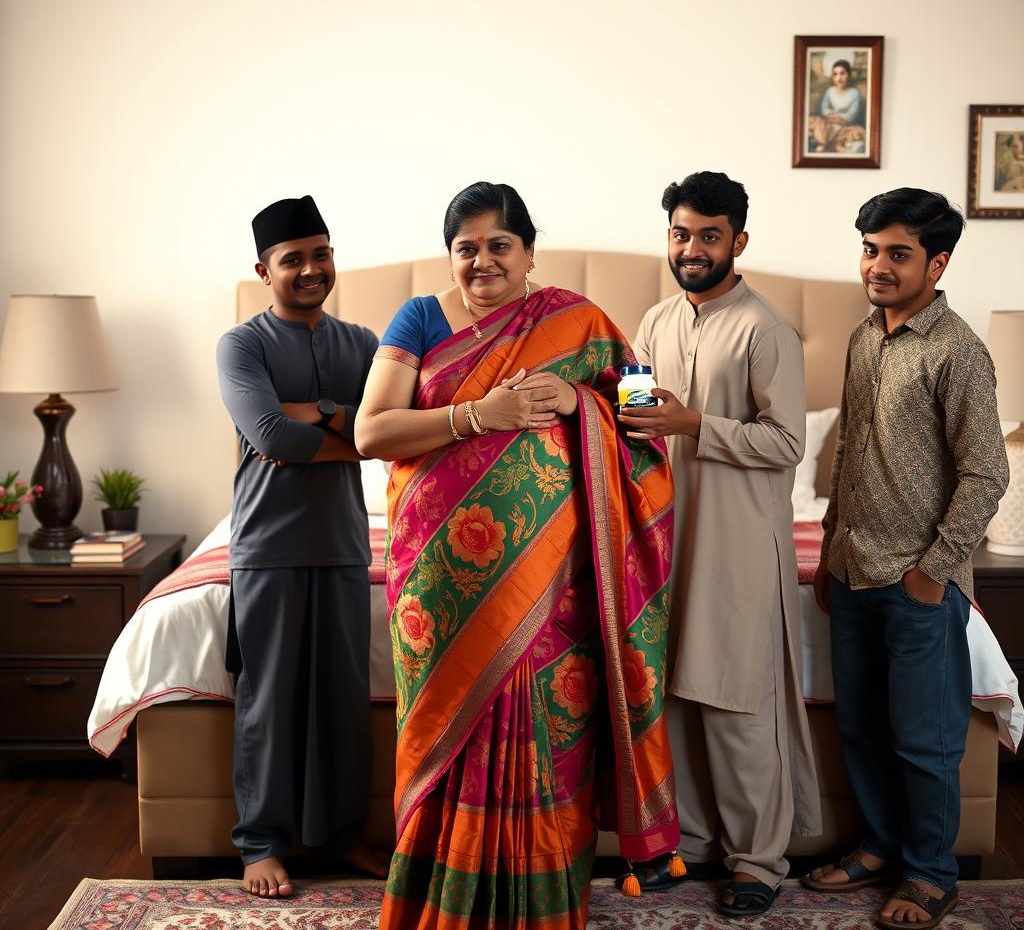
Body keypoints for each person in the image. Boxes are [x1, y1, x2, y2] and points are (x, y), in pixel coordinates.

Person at [355, 181, 682, 930]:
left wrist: (583, 403)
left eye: (499, 245)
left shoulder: (584, 322)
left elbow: (641, 413)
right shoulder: (418, 318)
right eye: (465, 248)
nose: (482, 261)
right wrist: (478, 414)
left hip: (555, 591)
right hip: (440, 587)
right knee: (450, 732)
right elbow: (372, 433)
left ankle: (543, 908)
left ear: (530, 252)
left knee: (544, 734)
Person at [802, 189, 1009, 929]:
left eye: (897, 253)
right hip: (853, 570)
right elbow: (850, 453)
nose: (878, 266)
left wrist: (933, 570)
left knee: (926, 740)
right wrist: (828, 549)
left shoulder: (957, 351)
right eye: (869, 249)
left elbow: (987, 472)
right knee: (861, 724)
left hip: (917, 580)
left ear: (937, 262)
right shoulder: (862, 338)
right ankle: (879, 847)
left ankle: (931, 875)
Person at [619, 171, 822, 917]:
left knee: (736, 701)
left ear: (738, 240)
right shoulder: (654, 321)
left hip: (737, 542)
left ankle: (760, 862)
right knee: (675, 693)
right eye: (681, 234)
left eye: (710, 235)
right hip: (664, 540)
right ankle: (693, 844)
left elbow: (788, 441)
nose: (693, 248)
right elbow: (636, 420)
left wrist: (694, 424)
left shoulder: (764, 328)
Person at [216, 194, 388, 898]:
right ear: (264, 269)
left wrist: (313, 414)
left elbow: (386, 435)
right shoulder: (242, 345)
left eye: (322, 254)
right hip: (266, 547)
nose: (312, 269)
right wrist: (347, 432)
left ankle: (342, 835)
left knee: (344, 703)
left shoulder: (365, 344)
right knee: (269, 701)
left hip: (346, 544)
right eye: (294, 260)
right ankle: (260, 844)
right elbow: (269, 438)